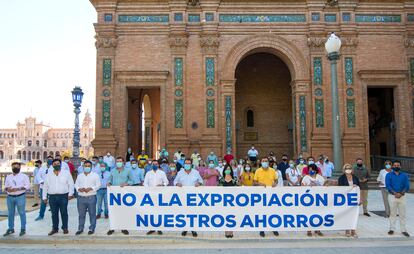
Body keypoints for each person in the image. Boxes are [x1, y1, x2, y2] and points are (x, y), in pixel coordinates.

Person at [42, 159, 74, 235]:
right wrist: (44, 197)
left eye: (58, 163)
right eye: (55, 164)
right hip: (52, 197)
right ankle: (55, 228)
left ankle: (65, 228)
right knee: (54, 214)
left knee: (64, 212)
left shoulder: (66, 173)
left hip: (63, 196)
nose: (57, 165)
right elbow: (45, 186)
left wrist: (70, 194)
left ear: (60, 164)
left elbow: (71, 183)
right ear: (52, 165)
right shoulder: (48, 174)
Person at [174, 159, 203, 237]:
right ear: (184, 164)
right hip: (183, 196)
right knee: (184, 213)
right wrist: (177, 184)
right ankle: (185, 229)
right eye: (186, 163)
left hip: (193, 197)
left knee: (193, 213)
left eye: (189, 163)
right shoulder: (180, 173)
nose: (187, 165)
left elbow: (201, 181)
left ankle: (193, 229)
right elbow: (175, 181)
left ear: (191, 164)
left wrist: (199, 183)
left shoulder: (196, 172)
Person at [3, 162, 30, 237]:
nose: (15, 168)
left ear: (20, 167)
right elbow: (5, 186)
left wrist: (18, 189)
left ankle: (23, 229)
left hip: (20, 196)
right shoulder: (8, 177)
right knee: (10, 213)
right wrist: (8, 189)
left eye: (17, 166)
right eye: (14, 166)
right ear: (11, 168)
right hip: (10, 197)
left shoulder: (24, 176)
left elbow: (27, 186)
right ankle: (11, 228)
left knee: (21, 213)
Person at [107, 157, 132, 235]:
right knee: (113, 211)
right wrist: (109, 183)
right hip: (114, 194)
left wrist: (126, 183)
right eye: (117, 161)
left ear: (123, 162)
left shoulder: (128, 171)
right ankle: (112, 227)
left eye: (120, 161)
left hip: (124, 194)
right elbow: (109, 180)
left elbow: (132, 180)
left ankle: (124, 227)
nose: (119, 162)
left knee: (123, 211)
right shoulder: (112, 171)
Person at [253, 157, 278, 237]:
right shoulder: (258, 171)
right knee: (262, 212)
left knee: (272, 212)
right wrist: (260, 184)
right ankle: (262, 229)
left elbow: (276, 180)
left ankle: (274, 228)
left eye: (266, 161)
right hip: (261, 195)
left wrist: (275, 183)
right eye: (263, 161)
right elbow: (254, 182)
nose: (264, 162)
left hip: (271, 194)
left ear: (268, 162)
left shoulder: (272, 170)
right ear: (261, 162)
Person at [74, 160, 101, 235]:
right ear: (83, 167)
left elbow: (98, 185)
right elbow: (76, 184)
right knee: (81, 214)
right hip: (81, 197)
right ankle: (80, 228)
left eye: (89, 166)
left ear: (91, 167)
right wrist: (79, 189)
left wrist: (91, 188)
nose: (87, 167)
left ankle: (92, 228)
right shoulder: (80, 176)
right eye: (85, 166)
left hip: (91, 197)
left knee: (92, 214)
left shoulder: (95, 175)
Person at [386, 161, 410, 237]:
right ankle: (392, 229)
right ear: (392, 166)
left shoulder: (404, 175)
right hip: (392, 196)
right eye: (395, 165)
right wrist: (395, 193)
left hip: (402, 196)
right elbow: (388, 185)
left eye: (398, 165)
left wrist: (401, 193)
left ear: (400, 167)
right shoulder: (388, 175)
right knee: (392, 213)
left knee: (402, 214)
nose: (396, 166)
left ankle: (403, 230)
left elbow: (407, 186)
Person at [144, 160, 169, 235]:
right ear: (151, 165)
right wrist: (149, 189)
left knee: (159, 211)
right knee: (151, 212)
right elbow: (145, 183)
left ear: (158, 165)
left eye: (156, 164)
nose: (155, 165)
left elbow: (166, 182)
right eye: (153, 164)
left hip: (159, 195)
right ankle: (152, 228)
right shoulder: (148, 173)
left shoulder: (162, 173)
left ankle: (159, 228)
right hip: (151, 195)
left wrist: (162, 185)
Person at [301, 163, 325, 237]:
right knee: (309, 214)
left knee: (319, 214)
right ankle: (309, 230)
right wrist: (308, 186)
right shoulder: (306, 178)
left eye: (312, 170)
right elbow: (302, 186)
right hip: (309, 199)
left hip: (318, 199)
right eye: (309, 170)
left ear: (315, 170)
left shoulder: (320, 177)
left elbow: (324, 184)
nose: (311, 171)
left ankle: (318, 229)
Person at [338, 164, 360, 237]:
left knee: (354, 215)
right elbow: (340, 188)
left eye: (350, 168)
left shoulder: (355, 177)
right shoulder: (341, 178)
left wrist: (360, 199)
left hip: (354, 199)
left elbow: (359, 188)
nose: (348, 169)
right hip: (345, 199)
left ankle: (353, 231)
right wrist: (350, 187)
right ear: (344, 170)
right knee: (347, 214)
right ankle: (347, 230)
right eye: (347, 168)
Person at [219, 165, 237, 238]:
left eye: (229, 169)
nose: (228, 170)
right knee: (225, 216)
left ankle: (231, 232)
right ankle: (226, 232)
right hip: (224, 201)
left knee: (232, 216)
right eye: (226, 169)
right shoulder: (221, 179)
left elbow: (237, 188)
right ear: (224, 170)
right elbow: (218, 189)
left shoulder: (234, 179)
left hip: (232, 201)